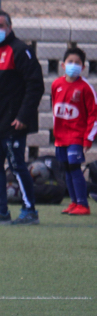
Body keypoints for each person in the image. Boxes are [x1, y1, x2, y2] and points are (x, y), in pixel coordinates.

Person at [0, 9, 44, 225]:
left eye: (0, 26)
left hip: (13, 123)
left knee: (16, 166)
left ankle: (29, 210)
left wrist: (23, 116)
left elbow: (36, 86)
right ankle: (1, 210)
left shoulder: (21, 51)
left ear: (9, 27)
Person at [51, 47, 96, 216]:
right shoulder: (56, 84)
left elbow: (94, 114)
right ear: (63, 65)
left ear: (83, 67)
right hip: (60, 137)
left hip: (77, 136)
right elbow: (56, 109)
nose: (73, 65)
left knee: (74, 167)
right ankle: (74, 202)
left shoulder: (85, 88)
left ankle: (83, 204)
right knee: (65, 168)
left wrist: (88, 139)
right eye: (70, 62)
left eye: (77, 63)